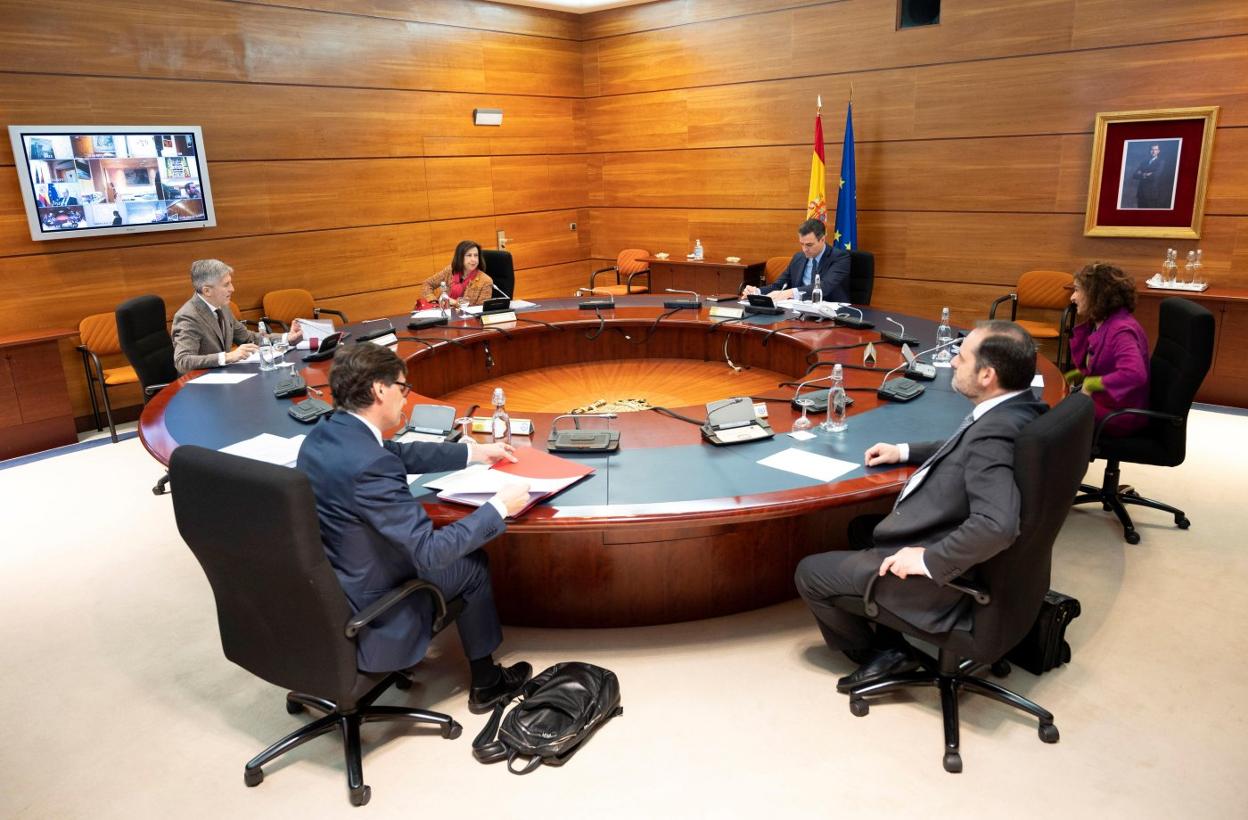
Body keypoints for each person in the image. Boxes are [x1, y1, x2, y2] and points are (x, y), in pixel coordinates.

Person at [794, 321, 1045, 692]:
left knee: (810, 572)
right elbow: (964, 445)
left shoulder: (993, 435)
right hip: (989, 560)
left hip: (953, 575)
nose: (953, 363)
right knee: (864, 528)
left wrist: (929, 560)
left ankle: (882, 654)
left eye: (962, 358)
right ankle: (888, 625)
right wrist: (904, 451)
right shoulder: (1019, 409)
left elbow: (997, 525)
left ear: (987, 375)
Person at [296, 343, 534, 712]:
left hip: (329, 581)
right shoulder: (371, 466)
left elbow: (398, 454)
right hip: (370, 599)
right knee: (472, 565)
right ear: (379, 389)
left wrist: (474, 453)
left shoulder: (326, 434)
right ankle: (488, 684)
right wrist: (499, 507)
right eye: (403, 388)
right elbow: (428, 552)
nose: (406, 398)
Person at [171, 258, 303, 373]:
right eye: (226, 285)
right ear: (207, 291)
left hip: (223, 376)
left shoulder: (222, 306)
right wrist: (227, 357)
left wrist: (287, 338)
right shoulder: (188, 317)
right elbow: (182, 361)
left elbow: (248, 338)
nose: (232, 289)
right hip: (199, 385)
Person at [1065, 262, 1150, 436]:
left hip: (1119, 415)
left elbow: (1135, 374)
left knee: (1049, 419)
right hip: (1107, 403)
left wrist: (1091, 384)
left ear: (1096, 294)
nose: (1072, 297)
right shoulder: (1102, 322)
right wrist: (1078, 375)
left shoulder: (1121, 330)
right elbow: (1103, 364)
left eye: (1077, 290)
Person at [742, 218, 851, 303]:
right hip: (799, 312)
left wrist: (789, 293)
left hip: (830, 314)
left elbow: (825, 287)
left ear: (822, 239)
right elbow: (778, 286)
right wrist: (757, 292)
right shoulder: (798, 258)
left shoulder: (840, 257)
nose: (804, 249)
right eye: (801, 244)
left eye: (809, 245)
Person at [417, 240, 495, 307]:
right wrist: (433, 301)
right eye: (469, 255)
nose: (473, 259)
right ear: (460, 257)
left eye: (476, 255)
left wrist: (455, 303)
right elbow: (427, 284)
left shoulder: (485, 281)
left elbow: (481, 309)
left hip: (468, 318)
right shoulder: (450, 270)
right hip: (444, 313)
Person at [1132, 143, 1170, 209]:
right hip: (1141, 193)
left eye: (1155, 149)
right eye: (1152, 149)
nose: (1153, 151)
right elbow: (1135, 175)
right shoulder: (1144, 162)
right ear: (1150, 150)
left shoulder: (1161, 162)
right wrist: (1146, 174)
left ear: (1158, 151)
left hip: (1151, 194)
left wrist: (1141, 173)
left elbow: (1155, 176)